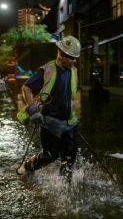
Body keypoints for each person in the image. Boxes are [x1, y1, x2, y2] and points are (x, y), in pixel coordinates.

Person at [16, 35, 81, 182]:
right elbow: (26, 88)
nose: (74, 61)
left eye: (76, 58)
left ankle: (65, 188)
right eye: (72, 57)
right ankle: (28, 166)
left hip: (69, 120)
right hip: (50, 121)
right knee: (50, 155)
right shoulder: (47, 70)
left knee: (70, 157)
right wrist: (33, 111)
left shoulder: (74, 71)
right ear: (61, 55)